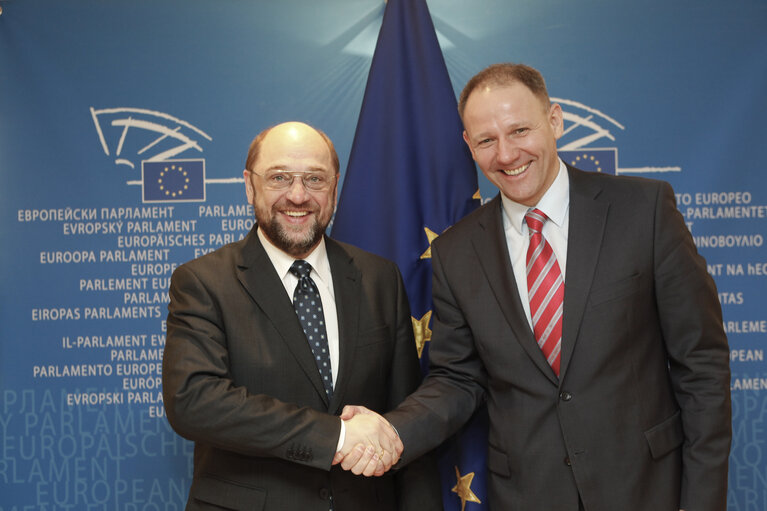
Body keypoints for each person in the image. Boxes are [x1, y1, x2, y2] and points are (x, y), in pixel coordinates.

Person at [338, 64, 731, 510]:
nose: (506, 155)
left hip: (646, 488)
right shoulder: (456, 252)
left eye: (519, 130)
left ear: (555, 120)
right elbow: (458, 379)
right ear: (468, 145)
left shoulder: (645, 211)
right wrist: (393, 430)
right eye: (486, 140)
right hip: (528, 495)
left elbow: (701, 367)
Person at [162, 121, 441, 511]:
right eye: (279, 178)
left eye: (315, 179)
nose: (298, 195)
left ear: (334, 188)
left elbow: (404, 419)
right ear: (249, 185)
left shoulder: (380, 277)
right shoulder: (203, 282)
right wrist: (338, 437)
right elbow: (195, 402)